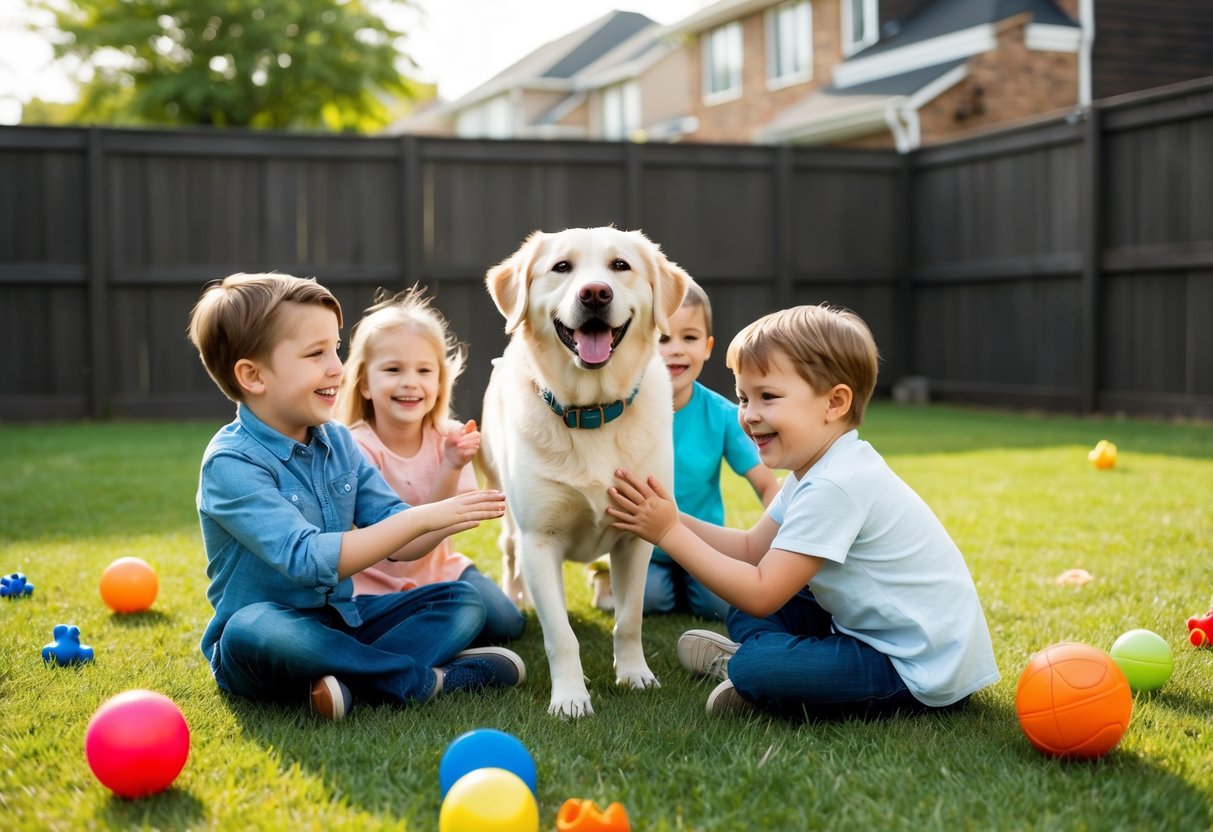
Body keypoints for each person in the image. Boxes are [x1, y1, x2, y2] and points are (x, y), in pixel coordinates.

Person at [607, 304, 999, 718]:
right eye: (742, 397)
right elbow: (749, 549)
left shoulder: (836, 483)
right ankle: (761, 662)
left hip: (915, 667)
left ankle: (747, 669)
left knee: (757, 658)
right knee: (736, 598)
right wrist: (669, 515)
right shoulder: (812, 470)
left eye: (768, 397)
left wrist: (669, 533)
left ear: (835, 403)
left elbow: (761, 591)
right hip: (859, 632)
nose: (749, 415)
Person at [187, 272, 525, 722]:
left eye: (336, 350)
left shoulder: (337, 442)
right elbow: (307, 558)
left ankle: (342, 683)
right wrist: (419, 519)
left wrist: (437, 516)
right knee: (251, 627)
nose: (337, 368)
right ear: (253, 376)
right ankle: (427, 680)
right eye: (315, 354)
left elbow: (403, 545)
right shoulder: (231, 464)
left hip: (343, 620)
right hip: (267, 643)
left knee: (461, 602)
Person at [334, 286, 525, 644]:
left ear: (440, 382)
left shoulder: (449, 437)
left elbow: (443, 522)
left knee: (508, 623)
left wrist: (451, 465)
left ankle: (441, 628)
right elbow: (394, 536)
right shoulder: (356, 447)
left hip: (442, 571)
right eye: (393, 369)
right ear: (364, 384)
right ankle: (433, 639)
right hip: (373, 585)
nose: (410, 382)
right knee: (455, 617)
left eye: (425, 370)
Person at [590, 281, 779, 620]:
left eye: (689, 338)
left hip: (703, 546)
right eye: (663, 338)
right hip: (642, 545)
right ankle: (609, 574)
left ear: (707, 347)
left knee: (720, 606)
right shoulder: (620, 411)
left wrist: (777, 542)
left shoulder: (721, 415)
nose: (675, 349)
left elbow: (767, 484)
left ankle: (687, 586)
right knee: (651, 600)